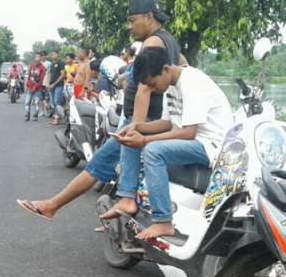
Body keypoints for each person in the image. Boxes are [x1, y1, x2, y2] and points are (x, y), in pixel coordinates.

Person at [17, 0, 187, 220]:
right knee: (100, 164)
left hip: (141, 118)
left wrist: (135, 126)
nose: (129, 27)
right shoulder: (169, 41)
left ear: (148, 16)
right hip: (147, 117)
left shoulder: (153, 42)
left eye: (132, 20)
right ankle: (57, 206)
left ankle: (61, 205)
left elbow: (144, 89)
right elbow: (184, 68)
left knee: (99, 165)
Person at [98, 46, 233, 240]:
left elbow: (189, 132)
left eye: (153, 84)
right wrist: (137, 126)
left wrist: (145, 140)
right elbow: (167, 123)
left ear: (166, 69)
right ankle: (127, 199)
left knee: (153, 151)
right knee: (133, 139)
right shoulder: (170, 85)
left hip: (211, 145)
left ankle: (163, 221)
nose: (152, 89)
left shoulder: (192, 82)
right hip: (194, 141)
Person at [24, 52, 46, 122]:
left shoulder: (42, 68)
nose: (37, 58)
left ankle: (35, 116)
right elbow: (29, 76)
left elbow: (41, 80)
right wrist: (26, 85)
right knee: (27, 102)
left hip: (38, 89)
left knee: (37, 103)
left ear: (41, 58)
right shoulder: (31, 66)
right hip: (30, 87)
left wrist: (35, 87)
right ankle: (27, 115)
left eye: (38, 57)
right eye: (36, 57)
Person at [47, 50, 65, 124]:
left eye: (54, 54)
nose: (53, 56)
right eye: (52, 54)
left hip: (59, 85)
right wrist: (48, 84)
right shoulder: (52, 64)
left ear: (58, 55)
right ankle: (56, 117)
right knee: (53, 103)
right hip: (51, 85)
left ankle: (57, 119)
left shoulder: (61, 63)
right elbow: (50, 74)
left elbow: (62, 75)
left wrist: (54, 83)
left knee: (57, 102)